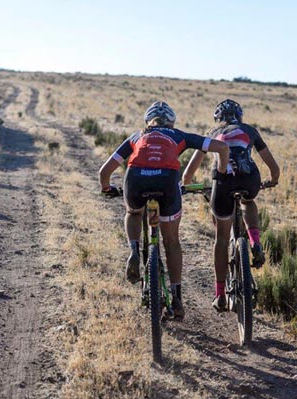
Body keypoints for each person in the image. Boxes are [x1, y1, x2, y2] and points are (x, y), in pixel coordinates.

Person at [99, 101, 230, 319]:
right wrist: (222, 174)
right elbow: (222, 147)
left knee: (133, 212)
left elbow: (105, 171)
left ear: (147, 121)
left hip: (136, 179)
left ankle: (133, 249)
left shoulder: (136, 137)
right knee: (171, 242)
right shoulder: (179, 135)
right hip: (167, 182)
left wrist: (106, 188)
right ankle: (177, 296)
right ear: (171, 121)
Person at [182, 99, 280, 311]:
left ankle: (219, 295)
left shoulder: (212, 131)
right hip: (249, 178)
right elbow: (272, 164)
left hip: (223, 182)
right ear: (240, 116)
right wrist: (273, 179)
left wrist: (187, 185)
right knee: (248, 200)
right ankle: (255, 241)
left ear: (217, 118)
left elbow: (189, 172)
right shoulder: (250, 130)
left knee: (222, 238)